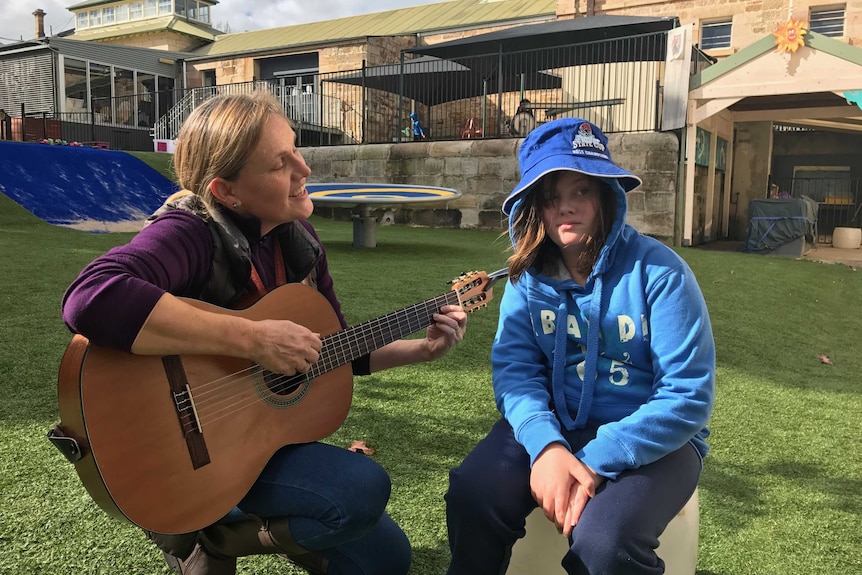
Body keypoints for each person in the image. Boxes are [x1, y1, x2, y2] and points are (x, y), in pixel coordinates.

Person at [61, 91, 468, 575]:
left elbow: (329, 353)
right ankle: (214, 538)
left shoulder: (302, 243)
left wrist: (420, 349)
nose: (304, 169)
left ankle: (226, 528)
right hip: (193, 452)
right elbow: (90, 296)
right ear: (227, 191)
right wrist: (253, 340)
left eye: (296, 148)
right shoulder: (189, 231)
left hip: (258, 442)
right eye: (280, 163)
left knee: (385, 561)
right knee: (361, 489)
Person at [444, 117, 715, 575]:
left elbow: (687, 397)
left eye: (580, 192)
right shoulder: (526, 278)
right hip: (555, 423)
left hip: (654, 439)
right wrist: (548, 448)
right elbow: (515, 370)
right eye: (551, 198)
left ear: (606, 194)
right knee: (472, 491)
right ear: (533, 208)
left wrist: (588, 463)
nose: (565, 209)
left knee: (605, 543)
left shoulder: (662, 273)